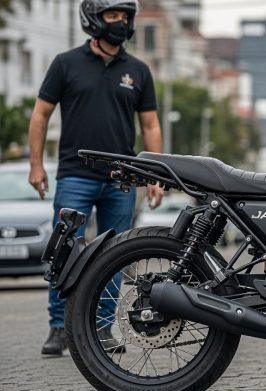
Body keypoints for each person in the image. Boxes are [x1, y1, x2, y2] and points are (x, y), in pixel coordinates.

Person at [28, 0, 165, 356]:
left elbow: (150, 125)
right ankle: (59, 328)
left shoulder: (138, 70)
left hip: (122, 180)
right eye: (112, 15)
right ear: (93, 19)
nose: (120, 22)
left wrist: (155, 175)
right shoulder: (65, 64)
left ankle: (102, 329)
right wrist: (36, 165)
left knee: (113, 256)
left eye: (125, 16)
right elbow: (41, 114)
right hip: (75, 176)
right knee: (65, 251)